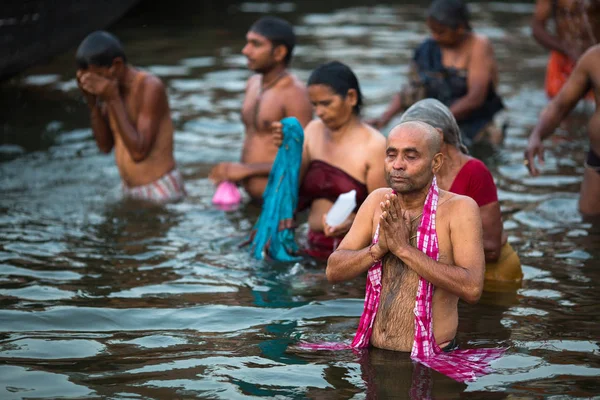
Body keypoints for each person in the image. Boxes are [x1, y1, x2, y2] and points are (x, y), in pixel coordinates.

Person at [326, 120, 485, 352]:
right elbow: (333, 270)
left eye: (411, 157)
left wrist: (403, 249)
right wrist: (378, 249)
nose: (397, 165)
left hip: (433, 358)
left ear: (436, 162)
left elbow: (472, 289)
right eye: (391, 155)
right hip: (373, 352)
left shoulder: (459, 209)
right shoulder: (377, 201)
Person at [273, 61, 387, 259]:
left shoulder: (375, 146)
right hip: (307, 243)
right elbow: (290, 186)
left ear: (351, 97)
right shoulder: (312, 130)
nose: (319, 112)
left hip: (350, 253)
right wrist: (288, 150)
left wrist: (354, 225)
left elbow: (384, 216)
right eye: (315, 105)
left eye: (326, 103)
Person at [399, 99, 522, 283]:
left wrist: (415, 251)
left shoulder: (475, 172)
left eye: (412, 140)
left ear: (438, 136)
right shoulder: (421, 175)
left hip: (494, 278)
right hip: (446, 277)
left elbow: (491, 247)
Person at [368, 0, 504, 146]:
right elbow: (411, 91)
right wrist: (384, 119)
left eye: (441, 32)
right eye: (432, 31)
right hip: (437, 123)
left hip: (479, 124)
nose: (435, 37)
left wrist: (433, 121)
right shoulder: (428, 48)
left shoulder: (478, 45)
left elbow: (475, 98)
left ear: (460, 28)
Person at [209, 16, 313, 202]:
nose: (245, 50)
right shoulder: (253, 83)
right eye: (247, 42)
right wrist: (231, 171)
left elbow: (303, 158)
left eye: (255, 44)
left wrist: (246, 170)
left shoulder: (295, 93)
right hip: (249, 196)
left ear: (279, 52)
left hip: (278, 202)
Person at [76, 31, 185, 203]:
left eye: (96, 78)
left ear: (116, 66)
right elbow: (104, 146)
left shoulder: (149, 87)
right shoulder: (110, 89)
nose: (94, 85)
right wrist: (93, 104)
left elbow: (138, 152)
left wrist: (112, 98)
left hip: (160, 189)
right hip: (129, 189)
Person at [525, 44, 600, 217]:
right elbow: (560, 105)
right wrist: (537, 135)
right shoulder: (594, 58)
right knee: (589, 222)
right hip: (597, 159)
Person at [531, 0, 599, 101]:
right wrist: (566, 49)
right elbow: (537, 28)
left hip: (596, 59)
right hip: (563, 60)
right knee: (559, 108)